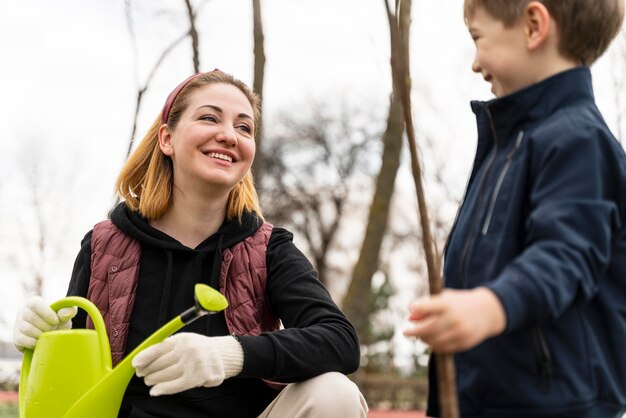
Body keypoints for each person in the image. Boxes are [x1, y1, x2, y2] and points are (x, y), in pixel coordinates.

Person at [13, 69, 368, 418]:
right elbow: (68, 389)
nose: (229, 135)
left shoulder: (269, 249)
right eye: (210, 118)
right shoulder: (103, 245)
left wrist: (226, 355)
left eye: (244, 127)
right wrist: (45, 342)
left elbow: (340, 341)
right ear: (167, 139)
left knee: (334, 394)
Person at [403, 1, 626, 417]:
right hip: (488, 398)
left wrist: (488, 307)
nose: (474, 63)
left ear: (533, 26)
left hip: (556, 404)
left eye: (478, 38)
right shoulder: (506, 148)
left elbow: (565, 256)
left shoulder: (578, 141)